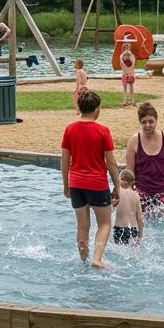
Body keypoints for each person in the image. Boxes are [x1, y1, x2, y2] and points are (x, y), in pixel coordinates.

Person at [61, 90, 121, 268]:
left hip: (76, 183)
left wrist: (66, 185)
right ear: (97, 109)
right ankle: (97, 259)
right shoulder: (102, 131)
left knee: (82, 226)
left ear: (79, 108)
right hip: (96, 183)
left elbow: (65, 160)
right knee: (104, 224)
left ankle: (83, 260)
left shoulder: (70, 129)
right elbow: (110, 162)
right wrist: (117, 186)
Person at [112, 168, 143, 245]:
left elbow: (110, 209)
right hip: (132, 229)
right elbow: (139, 219)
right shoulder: (136, 196)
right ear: (132, 182)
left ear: (120, 179)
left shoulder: (117, 192)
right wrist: (140, 235)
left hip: (119, 228)